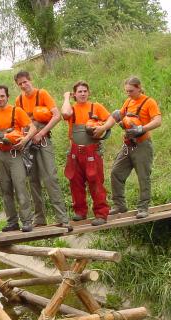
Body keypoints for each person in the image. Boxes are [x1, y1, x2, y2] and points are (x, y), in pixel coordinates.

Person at [14, 71, 71, 230]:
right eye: (20, 84)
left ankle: (62, 218)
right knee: (32, 180)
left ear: (30, 80)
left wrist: (42, 133)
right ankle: (39, 218)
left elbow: (57, 115)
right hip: (28, 143)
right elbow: (19, 123)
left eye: (25, 82)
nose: (24, 85)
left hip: (43, 140)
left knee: (50, 178)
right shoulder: (18, 100)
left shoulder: (42, 94)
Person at [105, 76, 162, 219]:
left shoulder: (149, 102)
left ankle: (143, 208)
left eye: (131, 91)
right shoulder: (129, 101)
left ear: (139, 88)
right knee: (116, 172)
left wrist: (142, 128)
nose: (128, 93)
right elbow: (119, 115)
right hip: (127, 144)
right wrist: (104, 127)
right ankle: (119, 205)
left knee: (143, 177)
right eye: (126, 91)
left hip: (142, 145)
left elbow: (158, 121)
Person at [61, 81, 111, 226]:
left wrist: (102, 128)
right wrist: (66, 98)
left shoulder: (96, 107)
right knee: (75, 181)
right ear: (74, 94)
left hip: (92, 151)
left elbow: (111, 119)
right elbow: (64, 113)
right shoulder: (71, 109)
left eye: (85, 91)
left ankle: (101, 214)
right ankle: (80, 212)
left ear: (88, 93)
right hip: (75, 152)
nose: (82, 94)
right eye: (79, 92)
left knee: (96, 181)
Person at [0, 84, 36, 232]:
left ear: (7, 97)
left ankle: (27, 221)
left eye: (2, 96)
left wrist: (24, 140)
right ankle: (12, 222)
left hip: (15, 153)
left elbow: (33, 128)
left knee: (20, 186)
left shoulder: (17, 111)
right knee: (5, 189)